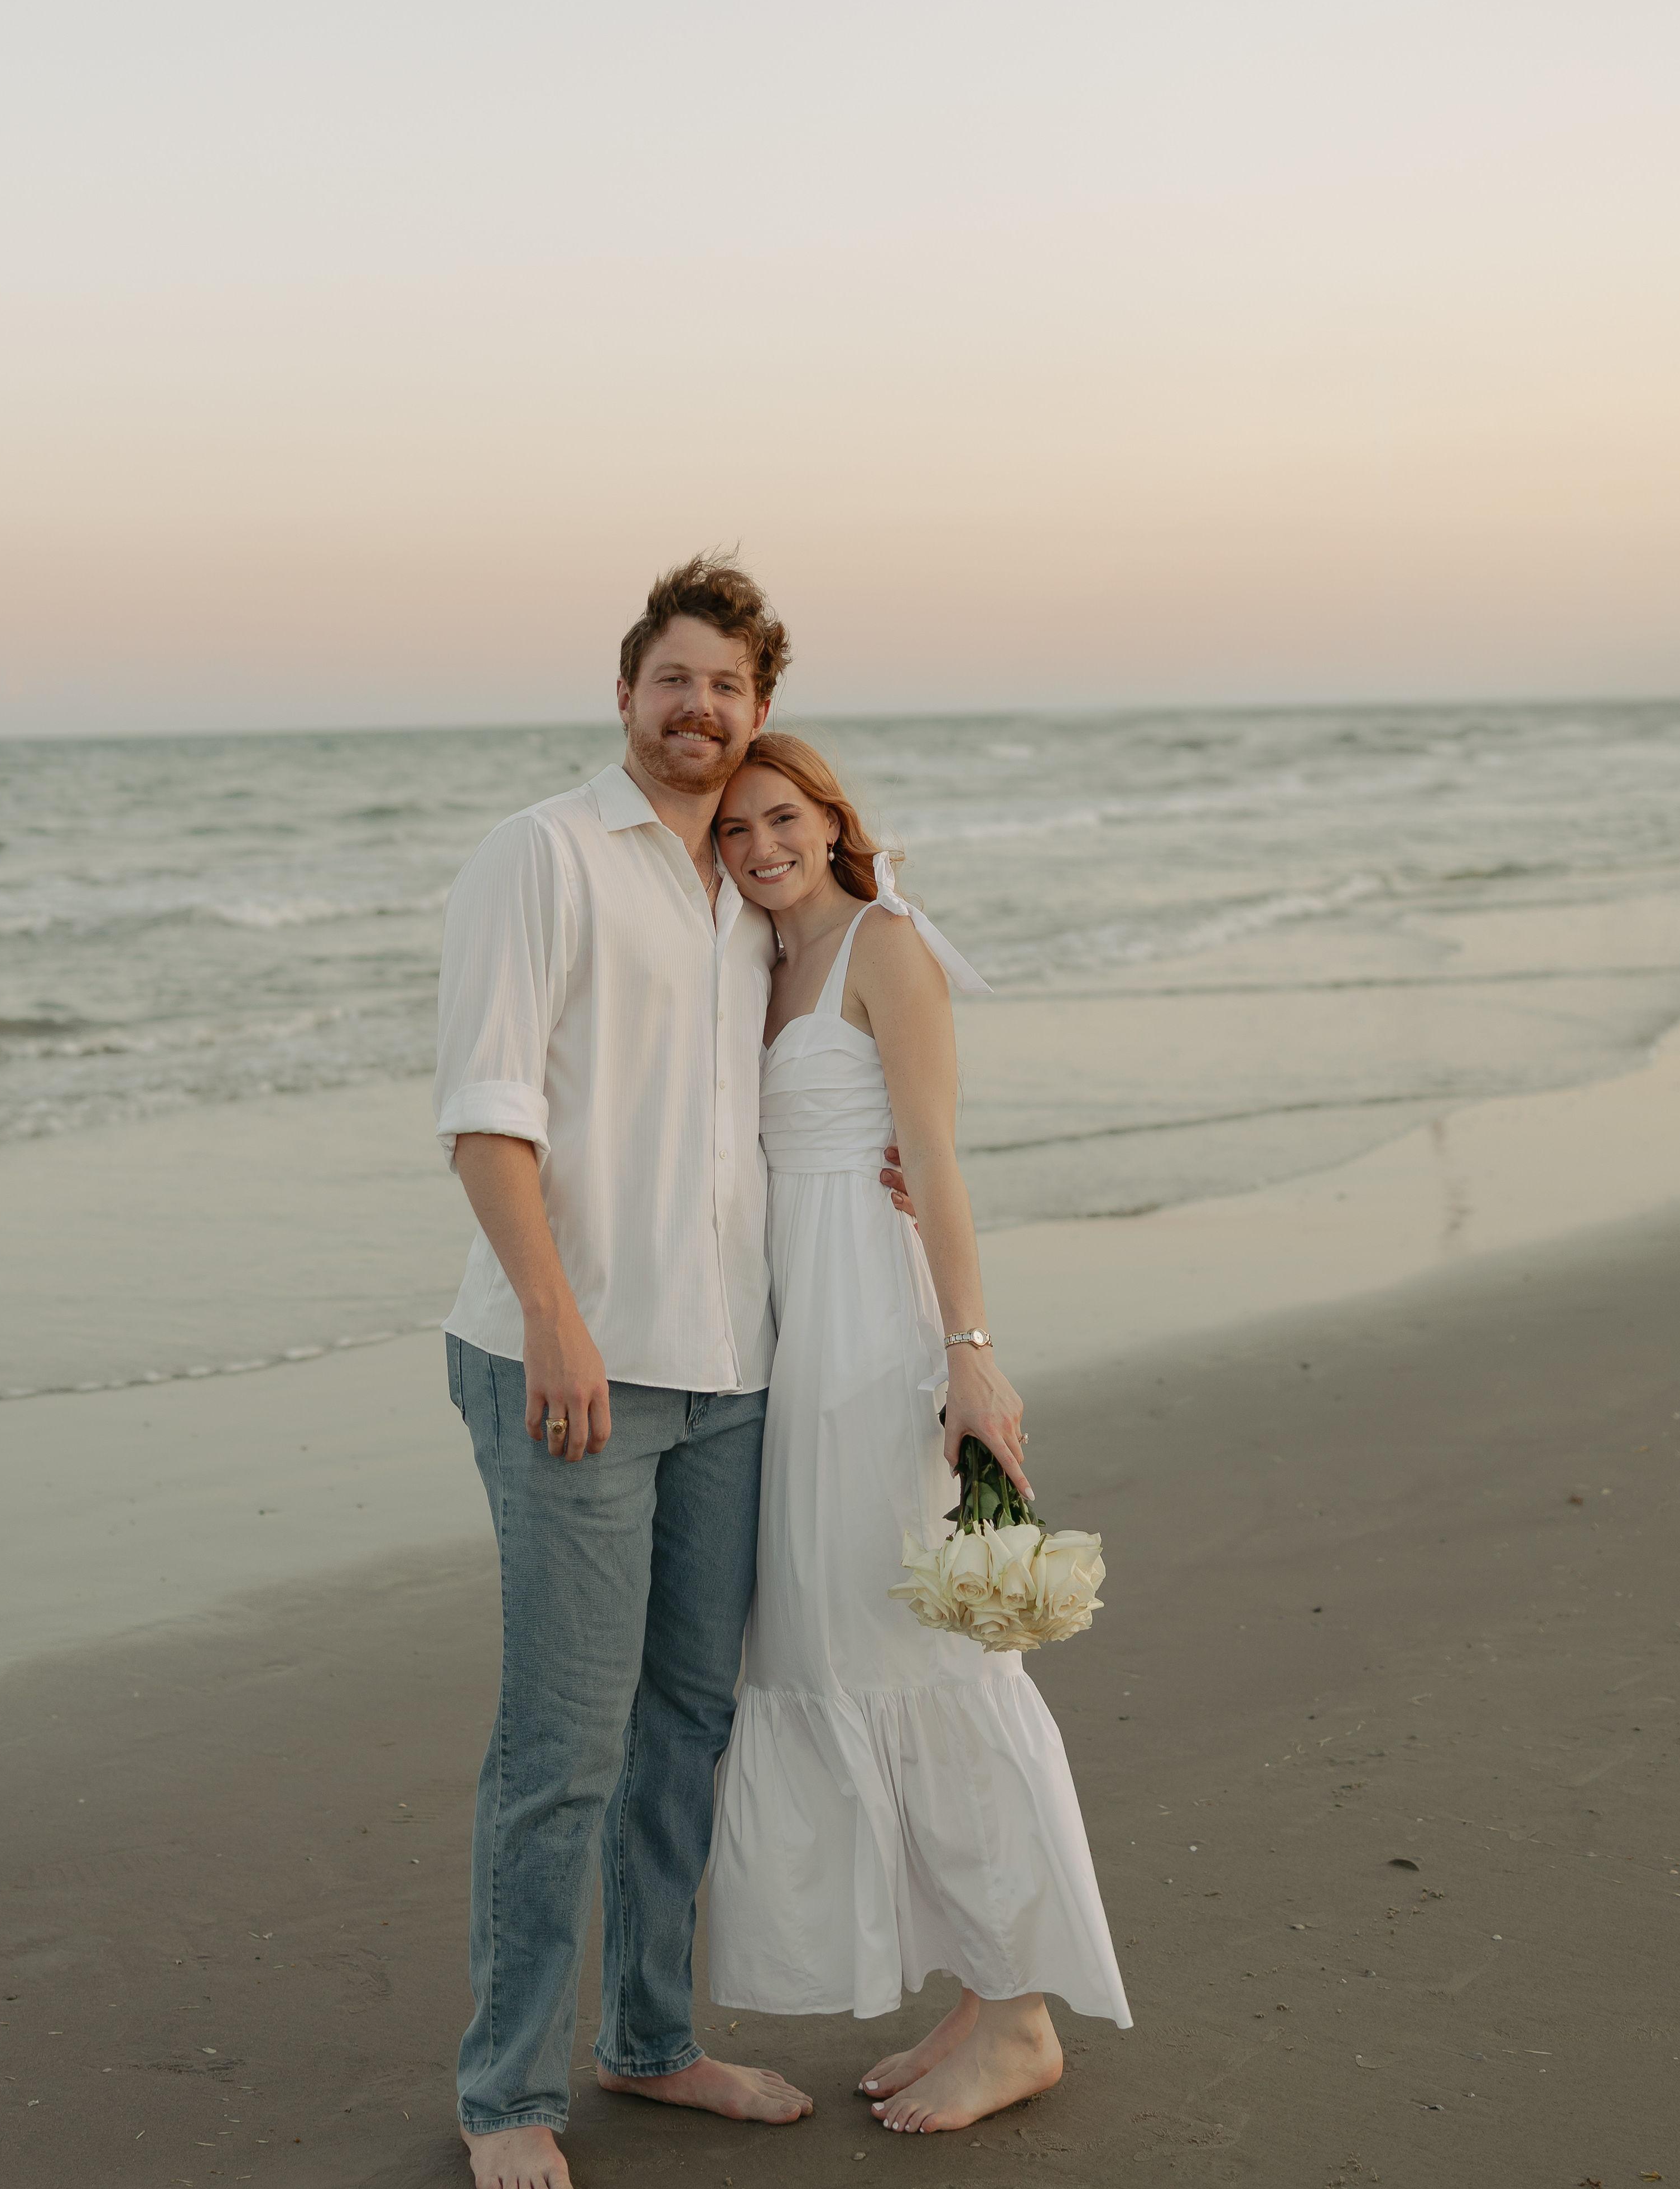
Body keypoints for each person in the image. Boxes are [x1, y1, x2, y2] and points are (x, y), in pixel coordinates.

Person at [433, 553, 818, 2189]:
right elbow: (487, 1111)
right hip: (571, 1360)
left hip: (730, 1362)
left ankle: (650, 2043)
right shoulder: (544, 855)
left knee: (688, 1726)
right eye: (676, 680)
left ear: (758, 712)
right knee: (565, 1744)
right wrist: (555, 1319)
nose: (700, 710)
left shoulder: (753, 879)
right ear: (626, 691)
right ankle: (504, 2092)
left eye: (729, 688)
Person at [703, 731, 1132, 2133]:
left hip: (874, 1331)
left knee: (919, 1652)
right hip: (788, 1335)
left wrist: (969, 1356)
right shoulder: (759, 963)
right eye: (732, 829)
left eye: (779, 815)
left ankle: (1018, 2022)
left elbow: (935, 1155)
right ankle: (976, 1985)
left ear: (828, 816)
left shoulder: (886, 944)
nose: (758, 844)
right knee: (838, 1645)